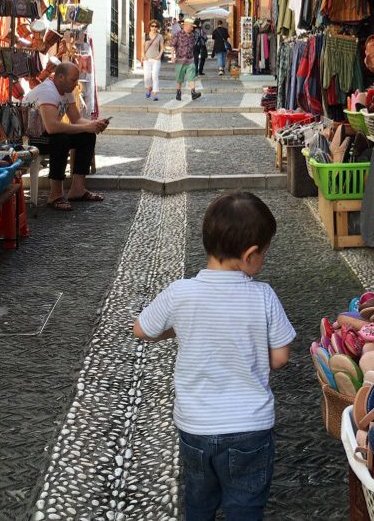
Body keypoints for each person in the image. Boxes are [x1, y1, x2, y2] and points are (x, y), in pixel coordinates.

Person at [133, 191, 295, 521]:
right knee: (245, 506)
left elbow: (141, 330)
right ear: (250, 255)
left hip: (195, 426)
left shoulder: (180, 293)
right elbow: (280, 358)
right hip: (251, 429)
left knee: (199, 500)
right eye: (263, 253)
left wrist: (176, 329)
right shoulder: (264, 296)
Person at [24, 61, 109, 211]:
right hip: (31, 137)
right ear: (60, 77)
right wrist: (86, 126)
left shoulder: (66, 90)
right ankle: (55, 194)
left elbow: (76, 119)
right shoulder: (48, 91)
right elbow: (52, 127)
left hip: (47, 133)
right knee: (60, 140)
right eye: (73, 80)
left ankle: (78, 189)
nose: (76, 84)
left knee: (87, 136)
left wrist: (93, 125)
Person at [172, 17, 202, 101]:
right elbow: (173, 45)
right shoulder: (178, 34)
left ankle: (193, 93)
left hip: (190, 60)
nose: (192, 28)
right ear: (186, 26)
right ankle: (178, 92)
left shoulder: (193, 35)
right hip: (180, 60)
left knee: (191, 77)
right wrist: (172, 56)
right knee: (179, 78)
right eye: (191, 26)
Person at [141, 19, 164, 101]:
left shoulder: (160, 36)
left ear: (158, 27)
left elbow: (162, 48)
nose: (154, 28)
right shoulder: (145, 35)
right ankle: (148, 88)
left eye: (156, 26)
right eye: (152, 26)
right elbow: (142, 47)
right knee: (147, 77)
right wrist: (143, 56)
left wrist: (159, 56)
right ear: (150, 27)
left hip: (156, 60)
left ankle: (154, 93)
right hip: (147, 59)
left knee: (155, 76)